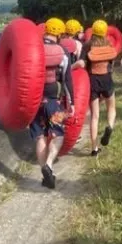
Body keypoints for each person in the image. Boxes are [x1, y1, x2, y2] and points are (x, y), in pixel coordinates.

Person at [33, 17, 75, 190]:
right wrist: (71, 103)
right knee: (58, 134)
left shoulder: (34, 49)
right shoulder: (62, 52)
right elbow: (67, 79)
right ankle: (49, 165)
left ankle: (44, 174)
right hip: (53, 103)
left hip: (34, 102)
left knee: (39, 136)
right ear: (59, 33)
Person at [73, 19, 118, 157]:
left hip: (92, 80)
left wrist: (71, 68)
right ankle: (110, 126)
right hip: (107, 79)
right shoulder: (109, 44)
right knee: (111, 107)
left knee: (94, 116)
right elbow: (111, 64)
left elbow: (81, 63)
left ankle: (94, 148)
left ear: (93, 30)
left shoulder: (87, 45)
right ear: (104, 32)